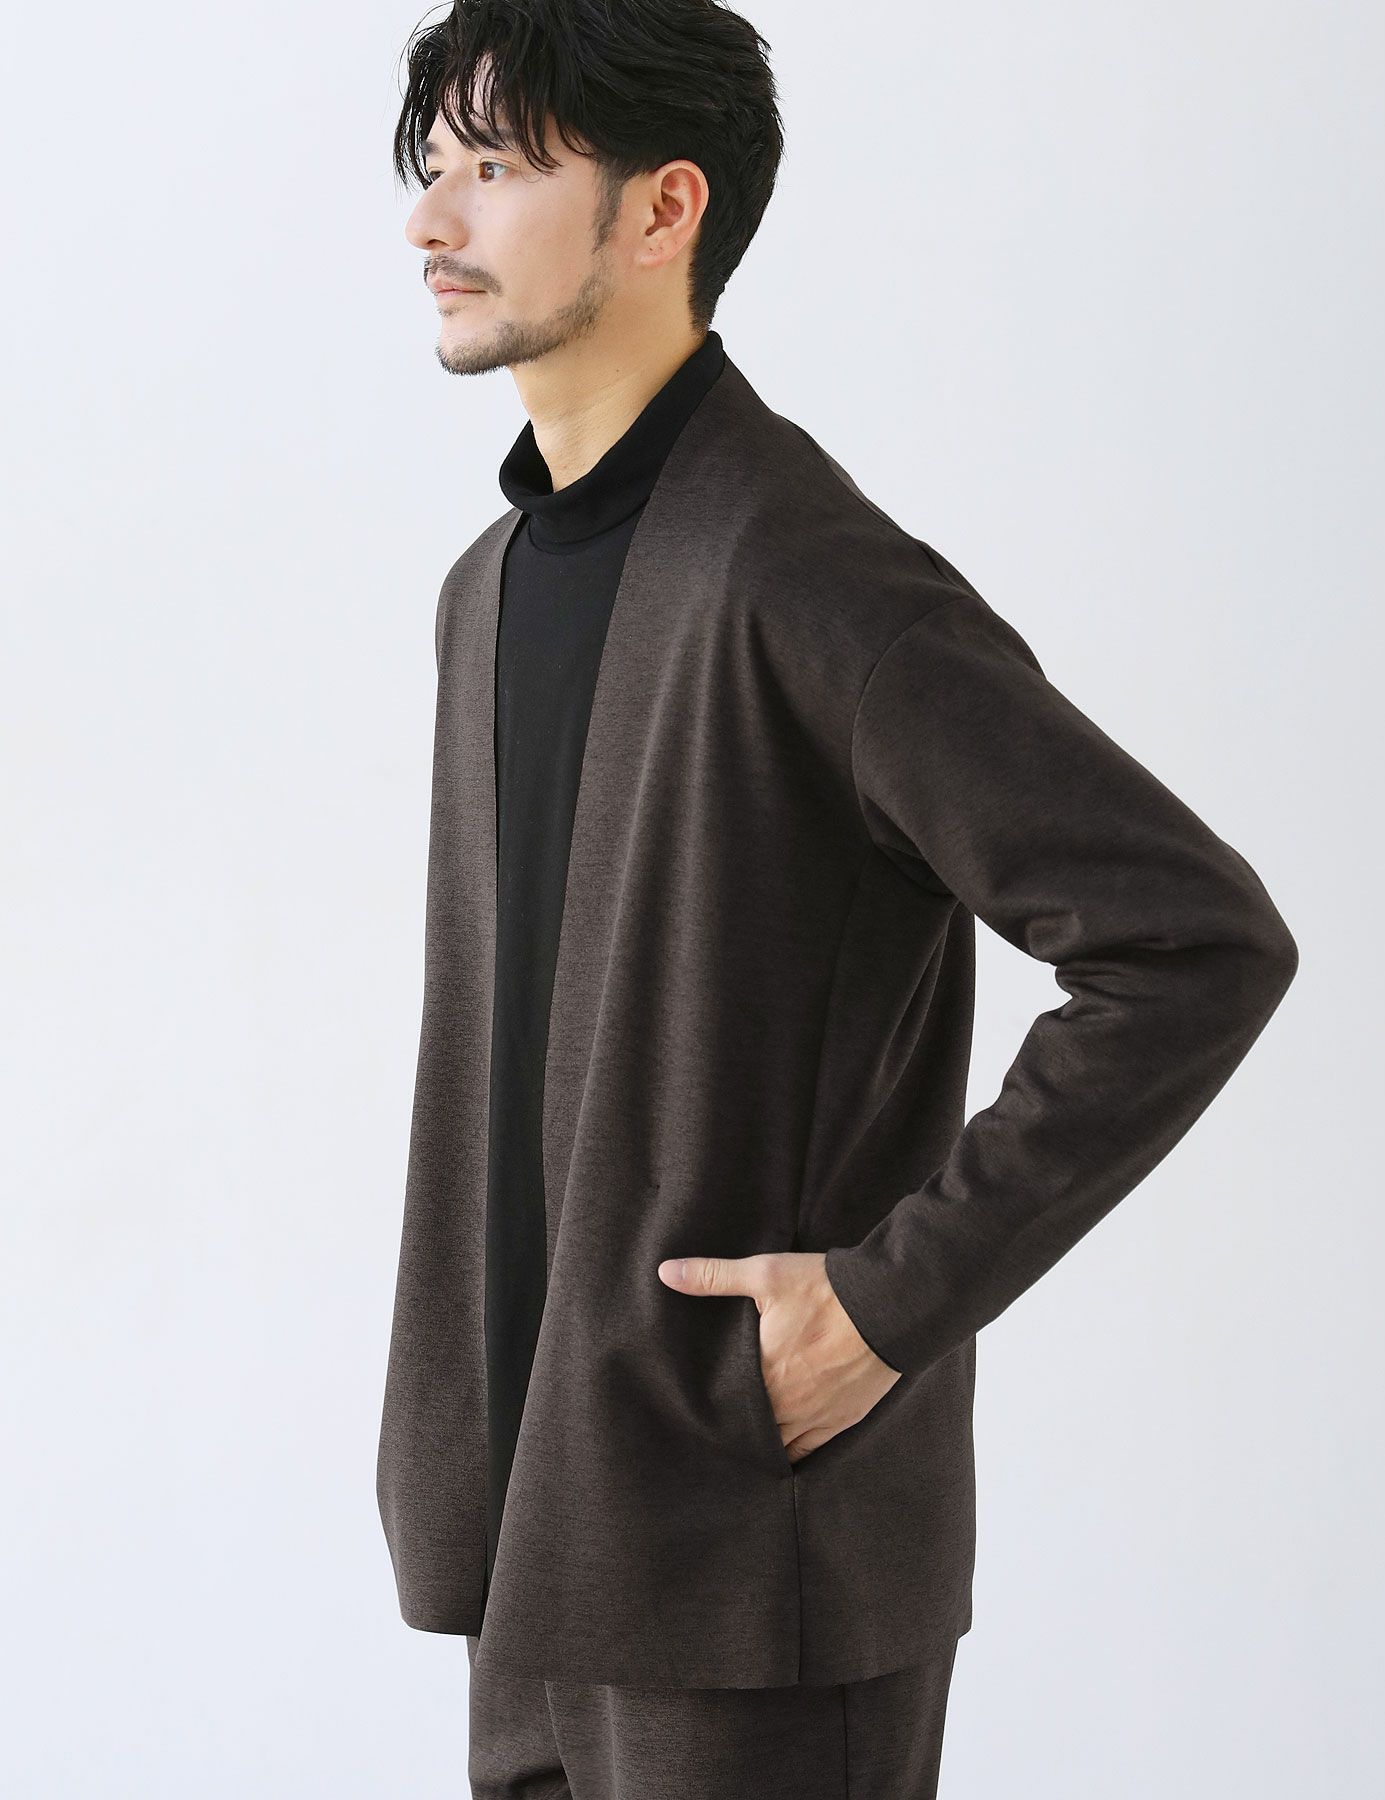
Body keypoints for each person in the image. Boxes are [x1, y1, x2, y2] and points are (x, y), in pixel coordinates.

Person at [375, 4, 1300, 1796]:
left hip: (747, 1559)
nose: (433, 219)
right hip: (531, 1544)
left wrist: (888, 1305)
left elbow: (1192, 943)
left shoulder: (804, 576)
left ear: (665, 210)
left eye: (498, 167)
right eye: (433, 168)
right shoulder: (486, 590)